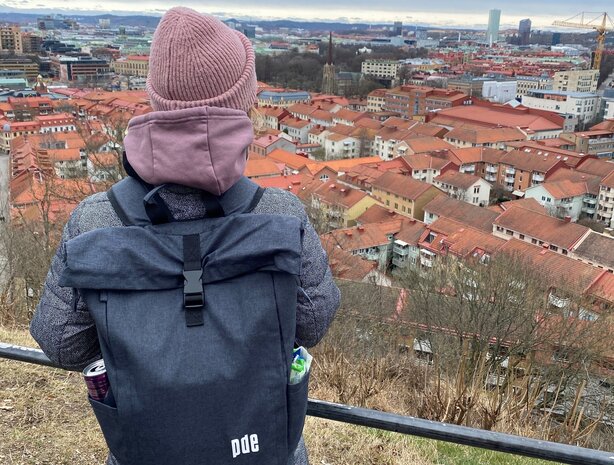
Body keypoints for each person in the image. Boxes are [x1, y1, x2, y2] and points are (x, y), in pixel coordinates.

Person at [30, 7, 340, 465]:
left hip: (150, 450)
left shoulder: (96, 221)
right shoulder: (279, 215)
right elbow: (312, 324)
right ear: (242, 104)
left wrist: (145, 326)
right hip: (260, 449)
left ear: (155, 99)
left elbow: (61, 342)